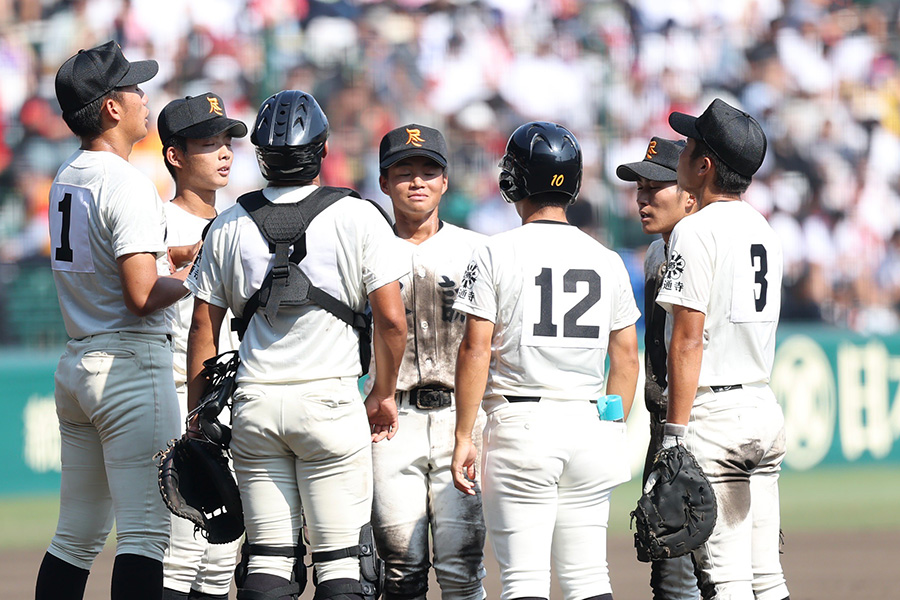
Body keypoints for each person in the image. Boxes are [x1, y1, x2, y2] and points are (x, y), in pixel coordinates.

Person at [184, 89, 408, 600]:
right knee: (342, 563)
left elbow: (203, 327)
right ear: (322, 149)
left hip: (257, 402)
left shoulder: (228, 223)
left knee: (267, 558)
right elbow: (392, 321)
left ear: (260, 153)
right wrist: (383, 394)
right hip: (329, 400)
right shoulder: (358, 215)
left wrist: (197, 414)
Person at [451, 121, 641, 600]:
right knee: (589, 578)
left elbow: (475, 348)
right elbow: (626, 359)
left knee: (524, 582)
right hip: (588, 421)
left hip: (522, 423)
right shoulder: (607, 258)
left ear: (513, 179)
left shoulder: (493, 251)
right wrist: (611, 423)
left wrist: (462, 434)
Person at [39, 40, 193, 600]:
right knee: (147, 537)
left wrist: (172, 259)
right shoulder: (125, 180)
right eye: (133, 87)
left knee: (73, 539)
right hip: (129, 366)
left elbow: (112, 266)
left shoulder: (67, 176)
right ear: (110, 107)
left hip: (79, 362)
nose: (142, 97)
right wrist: (201, 280)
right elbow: (140, 295)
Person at [658, 98, 789, 600]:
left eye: (689, 146)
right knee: (767, 578)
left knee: (727, 582)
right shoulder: (765, 229)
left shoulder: (696, 230)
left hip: (716, 417)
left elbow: (688, 339)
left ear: (705, 164)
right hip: (761, 404)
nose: (682, 155)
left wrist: (673, 435)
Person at [367, 124, 487, 600]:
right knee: (400, 567)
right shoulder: (367, 245)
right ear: (383, 182)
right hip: (391, 420)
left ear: (444, 182)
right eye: (404, 172)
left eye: (428, 171)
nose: (417, 182)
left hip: (462, 414)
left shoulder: (478, 249)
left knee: (462, 568)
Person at [157, 92, 248, 600]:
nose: (224, 152)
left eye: (227, 140)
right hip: (176, 392)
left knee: (220, 558)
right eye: (208, 142)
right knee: (181, 550)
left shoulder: (239, 222)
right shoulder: (156, 222)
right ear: (175, 155)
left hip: (231, 399)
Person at [616, 137, 701, 600]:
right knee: (669, 574)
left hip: (697, 427)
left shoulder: (707, 249)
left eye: (656, 187)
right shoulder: (655, 253)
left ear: (689, 195)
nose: (643, 198)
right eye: (640, 188)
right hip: (664, 426)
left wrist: (677, 434)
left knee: (709, 574)